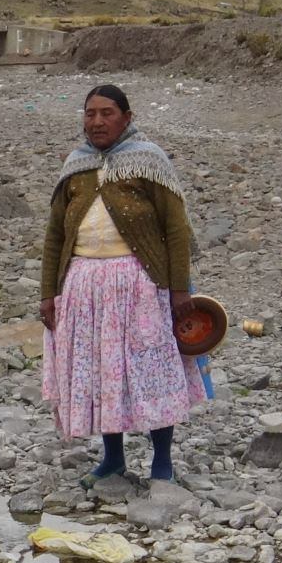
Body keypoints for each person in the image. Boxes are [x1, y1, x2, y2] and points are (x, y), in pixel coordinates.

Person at [40, 84, 206, 484]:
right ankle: (113, 457)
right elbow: (55, 235)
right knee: (100, 370)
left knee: (151, 366)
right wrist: (49, 293)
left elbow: (176, 228)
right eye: (90, 113)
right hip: (83, 285)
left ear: (127, 118)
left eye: (107, 113)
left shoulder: (149, 161)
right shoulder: (75, 167)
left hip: (139, 283)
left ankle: (161, 459)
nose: (97, 121)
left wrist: (180, 288)